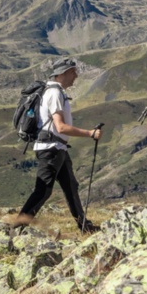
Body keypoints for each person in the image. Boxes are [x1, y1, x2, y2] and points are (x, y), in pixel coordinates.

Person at [15, 57, 102, 233]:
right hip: (51, 149)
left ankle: (84, 226)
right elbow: (60, 126)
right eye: (73, 72)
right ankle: (17, 227)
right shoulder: (54, 93)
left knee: (71, 186)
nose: (75, 76)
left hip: (57, 148)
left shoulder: (55, 91)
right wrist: (90, 133)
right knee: (43, 190)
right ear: (63, 73)